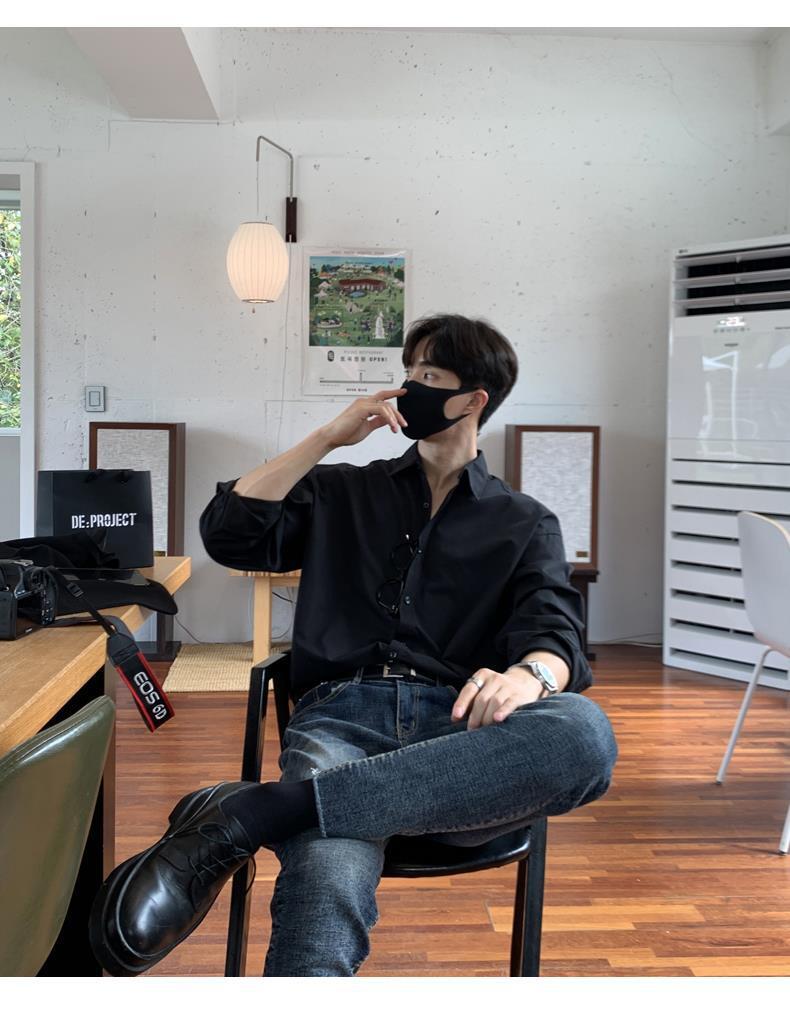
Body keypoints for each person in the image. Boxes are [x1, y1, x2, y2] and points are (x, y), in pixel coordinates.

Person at [88, 313, 618, 977]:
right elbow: (230, 535)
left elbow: (556, 630)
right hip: (338, 720)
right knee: (327, 879)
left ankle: (255, 812)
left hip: (459, 737)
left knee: (585, 734)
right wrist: (326, 439)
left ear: (473, 400)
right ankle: (285, 813)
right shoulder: (341, 490)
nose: (406, 388)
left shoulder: (526, 521)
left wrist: (528, 677)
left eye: (428, 376)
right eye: (408, 372)